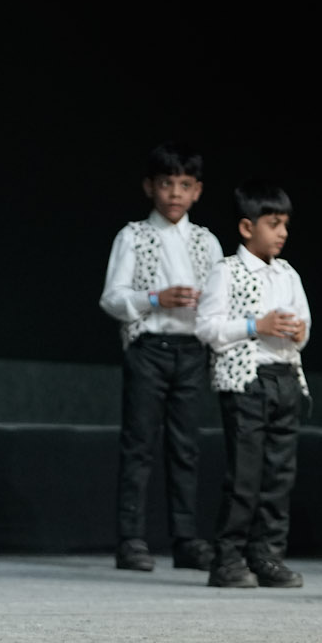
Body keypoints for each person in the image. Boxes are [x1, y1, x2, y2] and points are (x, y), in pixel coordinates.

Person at [98, 143, 223, 572]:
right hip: (149, 348)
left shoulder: (206, 241)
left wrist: (208, 305)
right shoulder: (134, 236)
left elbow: (220, 300)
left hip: (192, 351)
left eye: (184, 185)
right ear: (150, 187)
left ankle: (185, 539)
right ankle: (131, 539)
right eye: (167, 184)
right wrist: (155, 298)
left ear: (197, 191)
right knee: (139, 445)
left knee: (186, 447)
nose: (175, 193)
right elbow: (112, 298)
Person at [194, 180, 308, 589]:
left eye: (285, 225)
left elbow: (304, 325)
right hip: (246, 381)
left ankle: (267, 556)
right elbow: (207, 328)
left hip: (285, 379)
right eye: (273, 224)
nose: (282, 233)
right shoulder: (227, 271)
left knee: (279, 477)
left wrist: (298, 332)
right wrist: (255, 326)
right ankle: (227, 558)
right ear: (247, 227)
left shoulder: (288, 273)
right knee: (245, 476)